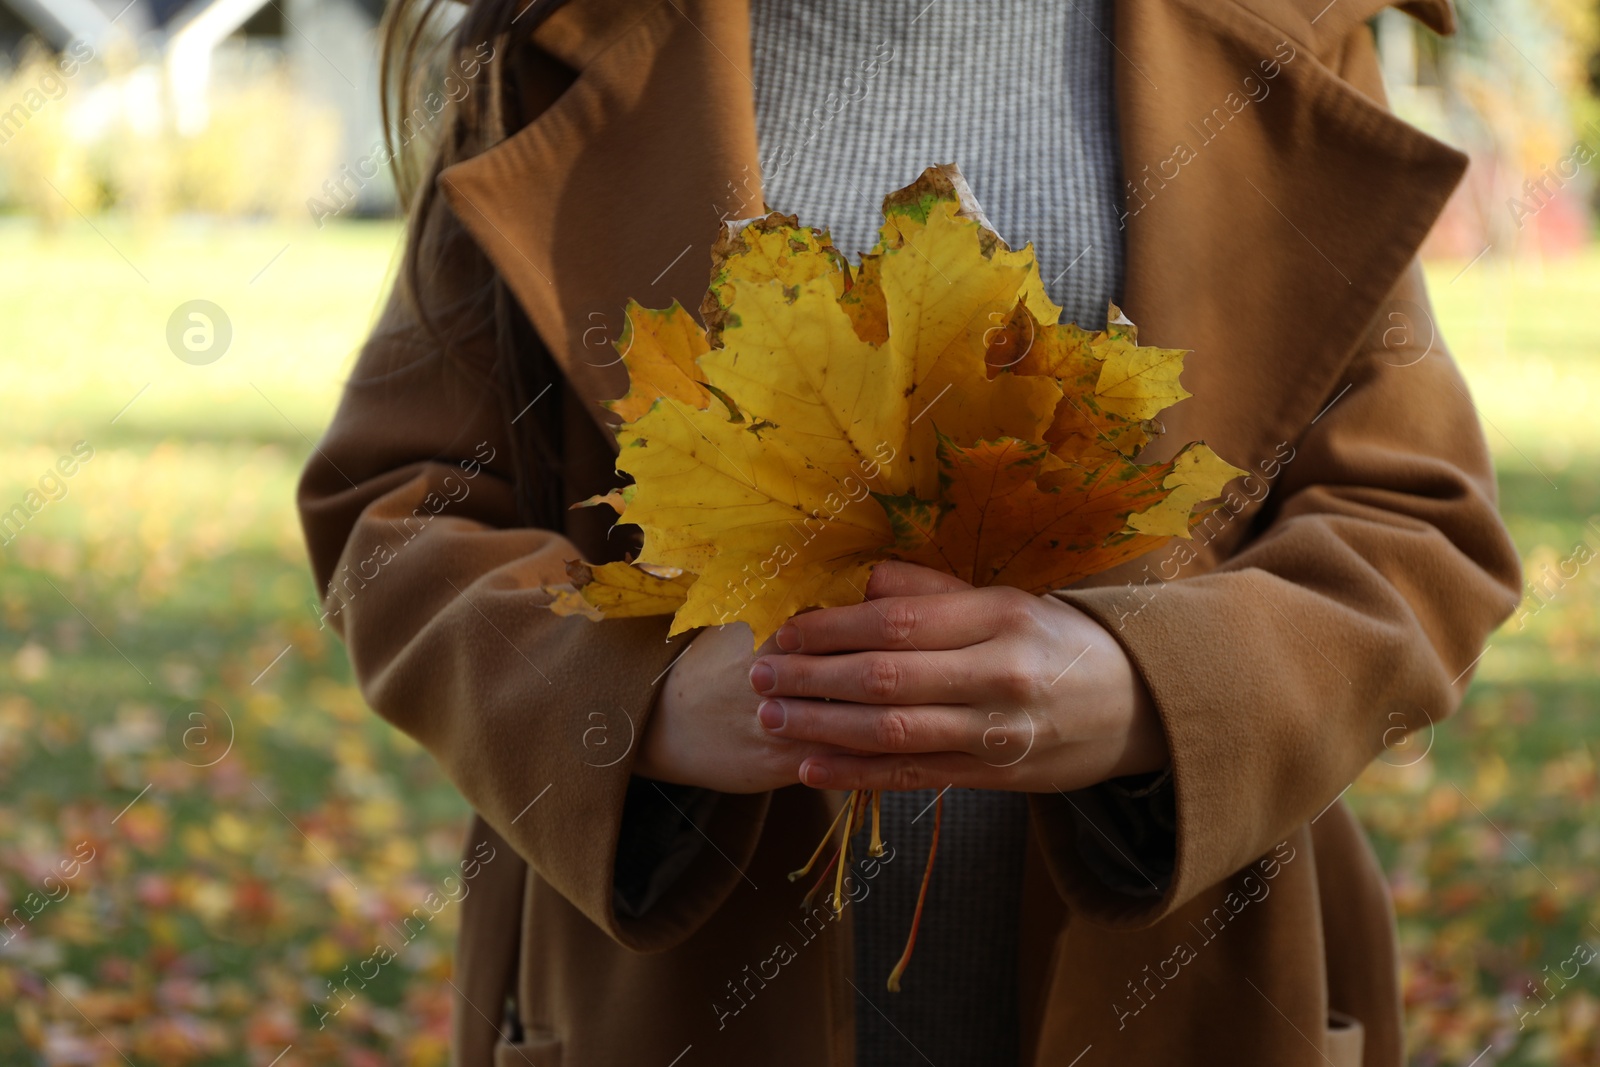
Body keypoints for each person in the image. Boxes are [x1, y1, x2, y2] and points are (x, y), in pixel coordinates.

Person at [297, 0, 1521, 1064]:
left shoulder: (1277, 32)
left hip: (1191, 989)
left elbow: (1415, 523)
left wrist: (1156, 690)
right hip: (668, 1000)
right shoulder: (554, 40)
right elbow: (401, 508)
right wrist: (641, 695)